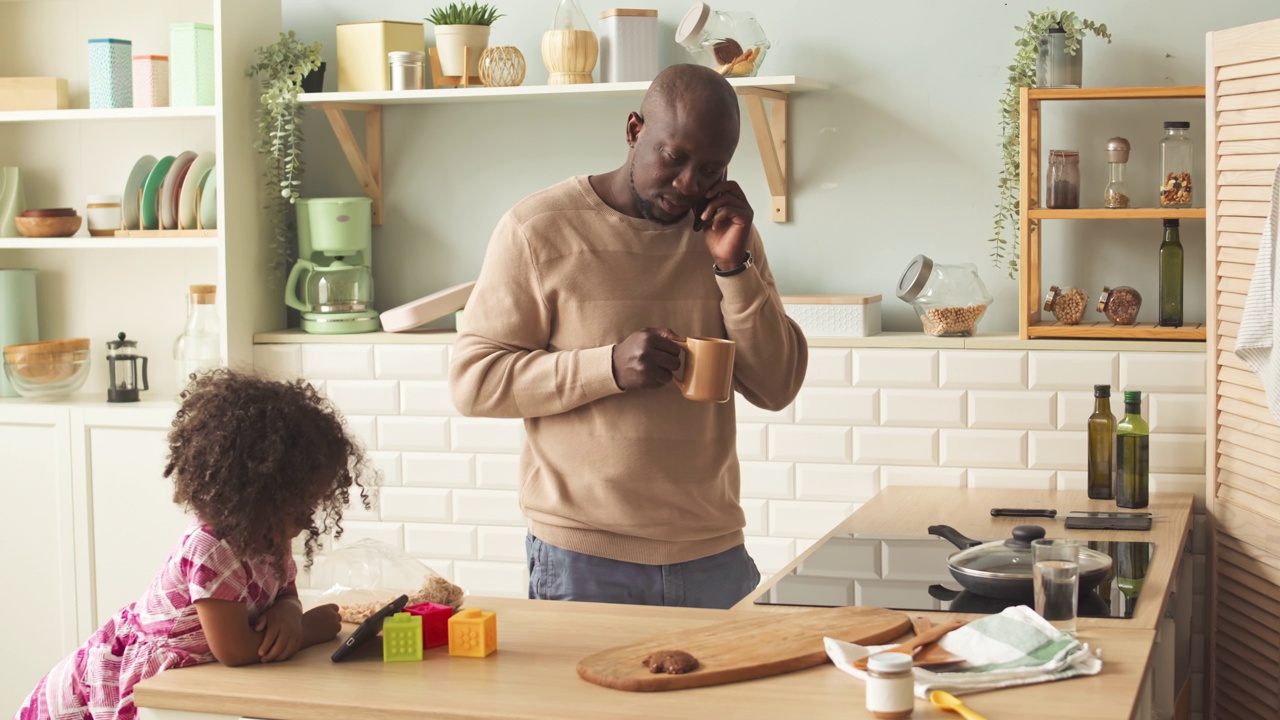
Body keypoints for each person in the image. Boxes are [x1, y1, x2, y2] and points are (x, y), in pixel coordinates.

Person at [450, 63, 807, 609]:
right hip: (582, 558)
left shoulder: (727, 234)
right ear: (635, 129)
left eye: (711, 169)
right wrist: (608, 368)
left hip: (711, 552)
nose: (689, 184)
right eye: (674, 157)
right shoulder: (538, 229)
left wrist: (735, 270)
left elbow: (776, 386)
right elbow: (474, 383)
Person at [16, 369, 373, 720]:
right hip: (108, 694)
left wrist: (289, 611)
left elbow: (284, 593)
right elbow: (235, 649)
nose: (309, 518)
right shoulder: (212, 547)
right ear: (258, 494)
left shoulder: (268, 536)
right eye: (300, 504)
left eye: (314, 504)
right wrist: (307, 629)